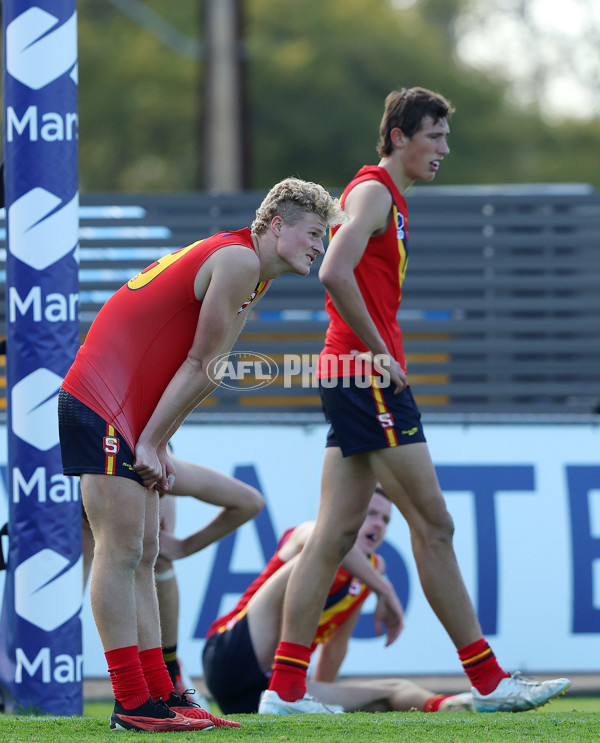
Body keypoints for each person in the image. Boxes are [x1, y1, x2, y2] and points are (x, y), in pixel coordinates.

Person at [260, 89, 571, 715]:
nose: (444, 149)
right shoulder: (373, 191)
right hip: (364, 374)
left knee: (334, 535)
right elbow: (331, 272)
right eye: (435, 136)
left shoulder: (386, 198)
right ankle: (489, 682)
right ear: (399, 137)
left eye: (446, 138)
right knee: (435, 525)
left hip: (352, 372)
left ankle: (286, 691)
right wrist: (379, 352)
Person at [58, 177, 346, 732]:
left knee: (144, 552)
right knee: (120, 552)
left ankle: (159, 695)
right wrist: (150, 439)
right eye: (314, 233)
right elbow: (198, 362)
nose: (321, 246)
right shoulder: (239, 260)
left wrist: (158, 438)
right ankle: (132, 704)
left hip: (127, 409)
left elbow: (205, 373)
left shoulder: (248, 269)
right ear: (275, 226)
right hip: (101, 401)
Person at [203, 486, 473, 714]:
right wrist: (385, 589)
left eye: (386, 519)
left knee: (393, 691)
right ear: (351, 514)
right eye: (371, 514)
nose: (379, 524)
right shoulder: (309, 532)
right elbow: (324, 538)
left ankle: (450, 706)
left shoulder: (371, 572)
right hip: (228, 659)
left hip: (267, 690)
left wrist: (320, 696)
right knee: (319, 548)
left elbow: (336, 646)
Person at [82, 451, 264, 711]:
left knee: (153, 554)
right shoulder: (91, 475)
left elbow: (249, 502)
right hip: (101, 463)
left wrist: (183, 548)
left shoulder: (158, 469)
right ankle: (131, 686)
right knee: (118, 556)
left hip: (139, 454)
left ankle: (168, 671)